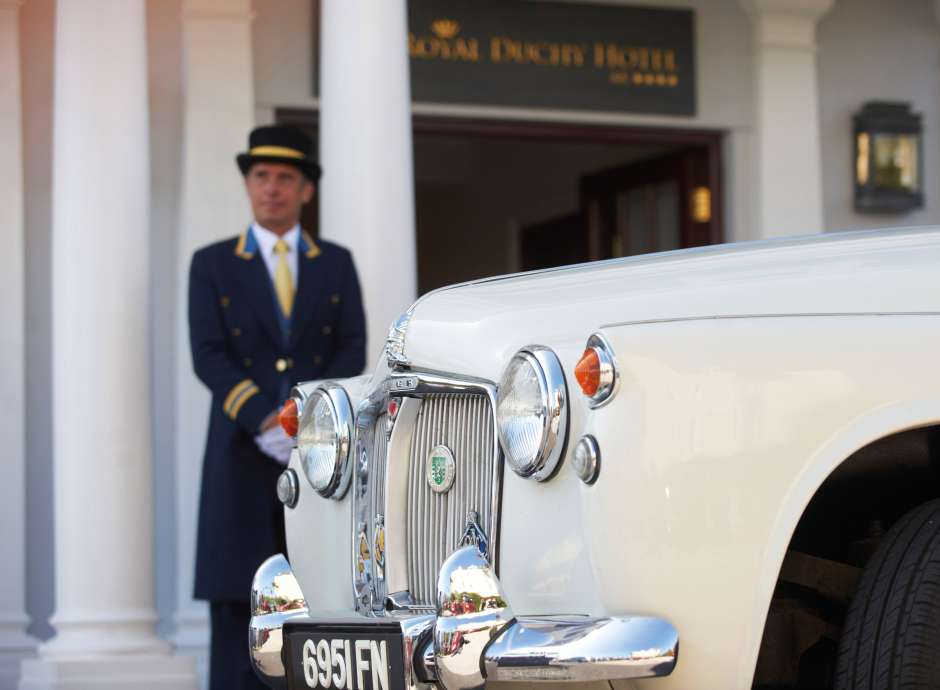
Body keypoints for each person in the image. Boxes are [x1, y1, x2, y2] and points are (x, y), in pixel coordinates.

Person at [188, 124, 366, 689]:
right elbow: (208, 354)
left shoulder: (335, 263)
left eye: (285, 178)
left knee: (316, 599)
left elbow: (352, 347)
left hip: (316, 461)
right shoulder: (213, 263)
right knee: (239, 603)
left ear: (305, 190)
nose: (272, 188)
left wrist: (306, 422)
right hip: (241, 453)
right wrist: (264, 416)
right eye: (261, 176)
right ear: (248, 184)